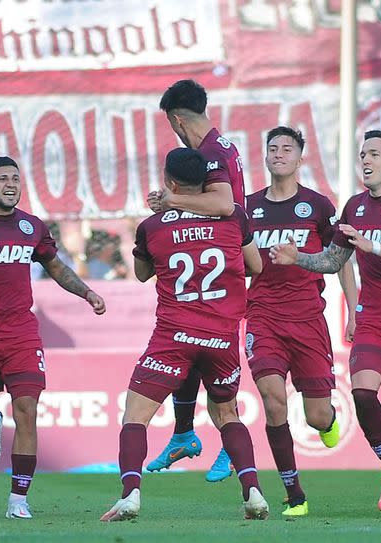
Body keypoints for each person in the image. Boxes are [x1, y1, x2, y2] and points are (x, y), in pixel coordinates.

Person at [270, 130, 381, 518]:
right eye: (362, 154)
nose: (365, 160)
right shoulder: (354, 207)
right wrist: (298, 257)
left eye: (374, 154)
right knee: (364, 394)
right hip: (375, 318)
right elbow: (335, 261)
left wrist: (372, 246)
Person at [0, 156, 106, 520]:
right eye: (2, 179)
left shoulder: (31, 227)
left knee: (27, 410)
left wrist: (87, 293)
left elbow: (56, 267)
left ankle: (19, 499)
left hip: (21, 336)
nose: (10, 185)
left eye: (15, 179)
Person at [101, 148, 267, 522]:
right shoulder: (234, 217)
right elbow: (255, 266)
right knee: (227, 413)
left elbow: (143, 273)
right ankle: (253, 492)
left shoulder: (153, 225)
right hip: (221, 337)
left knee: (135, 415)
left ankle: (130, 495)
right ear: (205, 182)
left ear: (169, 181)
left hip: (174, 336)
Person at [245, 126, 358, 516]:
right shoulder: (247, 207)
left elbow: (339, 258)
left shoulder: (319, 205)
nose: (278, 154)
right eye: (272, 148)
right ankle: (295, 495)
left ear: (299, 159)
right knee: (273, 401)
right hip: (262, 317)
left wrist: (353, 308)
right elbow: (235, 259)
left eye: (286, 149)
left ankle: (326, 422)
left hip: (309, 319)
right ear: (265, 156)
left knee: (316, 415)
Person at [146, 79, 246, 481]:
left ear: (176, 119)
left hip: (222, 264)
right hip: (215, 259)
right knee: (189, 349)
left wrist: (171, 200)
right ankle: (184, 433)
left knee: (213, 355)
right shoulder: (223, 146)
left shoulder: (207, 154)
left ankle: (229, 444)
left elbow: (223, 204)